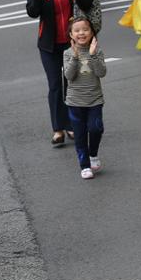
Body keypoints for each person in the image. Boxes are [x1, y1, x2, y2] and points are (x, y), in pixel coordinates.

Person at [26, 0, 96, 146]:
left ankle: (72, 125)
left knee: (72, 83)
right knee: (56, 85)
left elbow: (89, 4)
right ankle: (58, 128)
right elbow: (32, 12)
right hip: (49, 44)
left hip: (73, 42)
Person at [63, 17, 107, 180]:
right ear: (71, 35)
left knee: (96, 129)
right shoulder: (67, 53)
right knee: (80, 135)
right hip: (75, 101)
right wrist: (75, 57)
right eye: (77, 30)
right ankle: (85, 165)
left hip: (95, 99)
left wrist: (93, 55)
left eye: (85, 29)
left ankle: (93, 154)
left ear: (92, 32)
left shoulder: (97, 51)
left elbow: (101, 73)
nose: (81, 33)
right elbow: (69, 75)